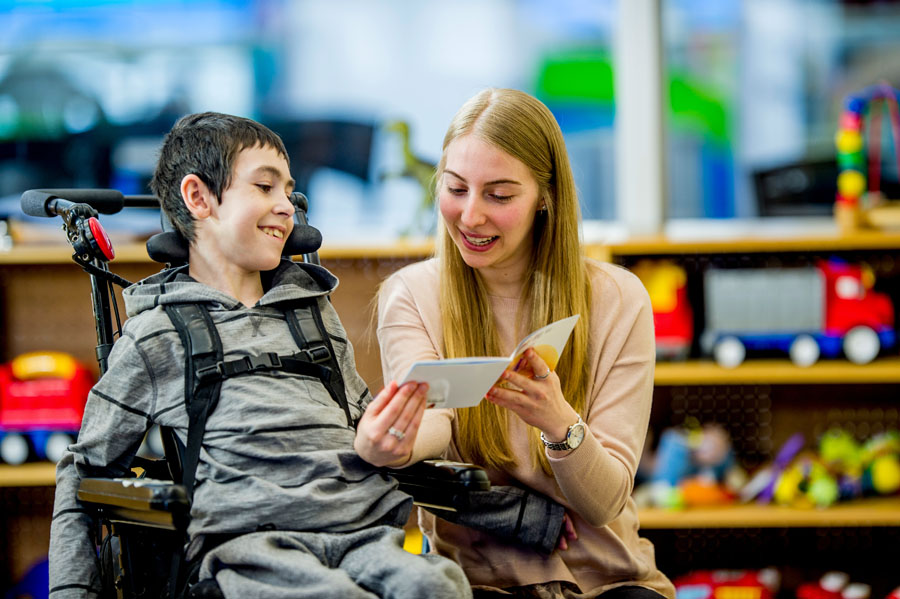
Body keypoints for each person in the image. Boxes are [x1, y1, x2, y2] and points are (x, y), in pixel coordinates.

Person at [48, 112, 471, 599]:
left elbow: (366, 433)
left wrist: (525, 516)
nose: (285, 206)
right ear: (199, 198)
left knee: (436, 584)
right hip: (253, 547)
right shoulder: (158, 334)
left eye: (288, 191)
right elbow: (85, 472)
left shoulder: (313, 316)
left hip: (362, 530)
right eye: (265, 187)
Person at [376, 89, 675, 599]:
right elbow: (433, 421)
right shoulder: (411, 295)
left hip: (607, 581)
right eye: (455, 188)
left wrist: (558, 421)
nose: (470, 216)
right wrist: (398, 440)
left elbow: (604, 502)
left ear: (545, 196)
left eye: (499, 195)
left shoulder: (619, 299)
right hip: (477, 584)